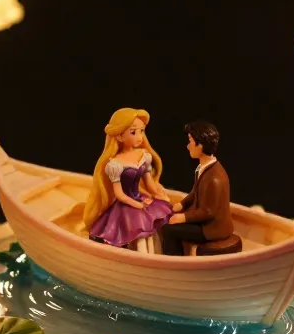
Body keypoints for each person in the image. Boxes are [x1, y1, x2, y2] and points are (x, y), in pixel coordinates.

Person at [83, 108, 173, 248]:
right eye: (133, 132)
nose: (139, 137)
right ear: (119, 136)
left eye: (142, 131)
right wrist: (136, 204)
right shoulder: (115, 164)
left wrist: (158, 194)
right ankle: (138, 256)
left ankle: (155, 255)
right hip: (125, 205)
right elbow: (119, 194)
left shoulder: (144, 155)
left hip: (140, 199)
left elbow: (149, 183)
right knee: (137, 224)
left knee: (154, 220)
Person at [160, 120, 233, 256]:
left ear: (200, 145)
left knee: (169, 229)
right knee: (172, 217)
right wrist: (182, 205)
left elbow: (208, 211)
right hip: (206, 222)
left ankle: (175, 264)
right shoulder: (203, 168)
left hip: (212, 228)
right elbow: (195, 192)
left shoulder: (214, 178)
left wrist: (184, 218)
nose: (188, 146)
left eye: (190, 141)